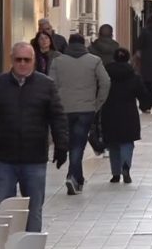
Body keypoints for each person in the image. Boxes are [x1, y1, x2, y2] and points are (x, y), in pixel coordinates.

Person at [0, 42, 68, 233]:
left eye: (27, 60)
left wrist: (61, 145)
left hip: (34, 159)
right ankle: (2, 246)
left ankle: (30, 247)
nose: (23, 64)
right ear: (12, 60)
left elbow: (57, 117)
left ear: (34, 61)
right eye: (19, 60)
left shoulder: (46, 85)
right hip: (5, 159)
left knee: (33, 210)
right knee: (2, 208)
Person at [48, 33, 111, 195]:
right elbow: (105, 82)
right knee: (78, 144)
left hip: (64, 109)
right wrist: (98, 103)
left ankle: (78, 178)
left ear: (69, 44)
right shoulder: (94, 61)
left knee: (71, 144)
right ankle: (73, 176)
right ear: (84, 44)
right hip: (86, 109)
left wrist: (55, 104)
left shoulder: (58, 61)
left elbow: (51, 84)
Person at [100, 48, 151, 184]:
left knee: (113, 143)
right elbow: (143, 94)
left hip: (109, 112)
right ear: (128, 59)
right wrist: (145, 105)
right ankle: (126, 167)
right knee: (127, 142)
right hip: (128, 113)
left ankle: (115, 173)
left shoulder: (106, 75)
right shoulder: (133, 76)